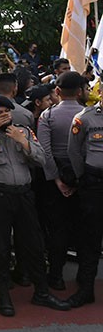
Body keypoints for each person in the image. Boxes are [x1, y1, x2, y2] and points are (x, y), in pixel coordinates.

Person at [0, 94, 70, 316]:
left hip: (23, 194)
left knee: (33, 244)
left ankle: (42, 292)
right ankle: (3, 296)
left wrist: (22, 141)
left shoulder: (23, 131)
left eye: (6, 112)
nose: (3, 116)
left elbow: (41, 159)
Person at [36, 72, 86, 291]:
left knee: (57, 228)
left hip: (55, 180)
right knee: (83, 228)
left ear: (57, 91)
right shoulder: (88, 115)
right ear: (80, 91)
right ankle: (84, 277)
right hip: (84, 179)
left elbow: (44, 152)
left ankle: (56, 275)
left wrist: (56, 179)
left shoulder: (47, 116)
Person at [66, 98, 103, 307]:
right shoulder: (84, 118)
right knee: (91, 237)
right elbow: (73, 151)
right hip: (94, 183)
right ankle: (86, 288)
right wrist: (83, 177)